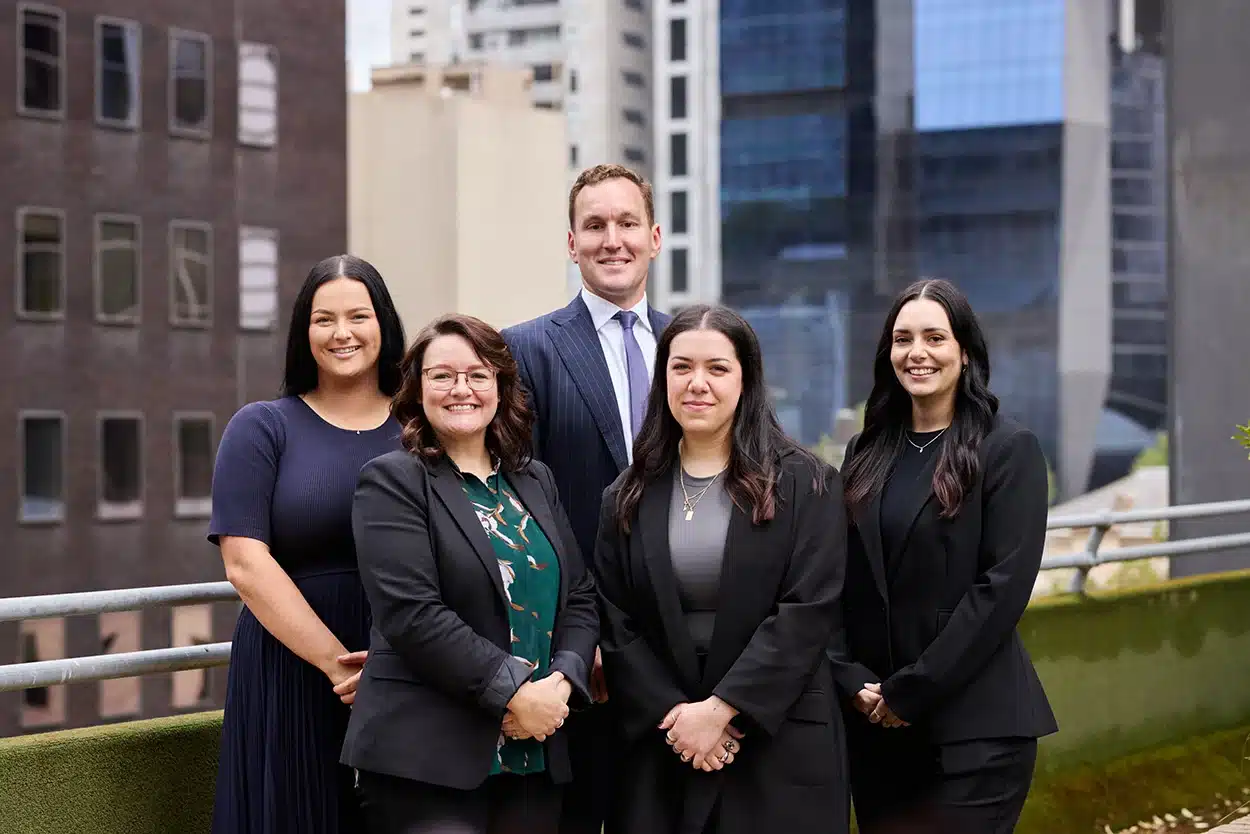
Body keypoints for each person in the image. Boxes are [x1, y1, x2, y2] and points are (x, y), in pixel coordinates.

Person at [593, 304, 850, 834]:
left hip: (777, 741)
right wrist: (682, 718)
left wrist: (725, 708)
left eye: (717, 368)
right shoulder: (628, 493)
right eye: (681, 367)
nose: (697, 384)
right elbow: (614, 621)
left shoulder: (808, 483)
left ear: (747, 379)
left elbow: (808, 610)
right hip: (665, 740)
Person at [342, 313, 599, 834]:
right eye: (443, 376)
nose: (462, 389)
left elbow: (580, 596)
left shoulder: (534, 479)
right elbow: (413, 615)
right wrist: (517, 692)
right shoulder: (393, 481)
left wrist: (563, 684)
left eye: (479, 375)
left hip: (533, 752)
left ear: (501, 388)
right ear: (418, 389)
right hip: (428, 757)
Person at [830, 278, 1058, 833]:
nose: (918, 352)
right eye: (903, 338)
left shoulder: (1006, 450)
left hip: (973, 732)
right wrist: (850, 676)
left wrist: (911, 690)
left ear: (965, 352)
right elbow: (836, 572)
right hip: (877, 730)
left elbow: (1001, 590)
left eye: (936, 337)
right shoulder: (866, 450)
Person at [208, 255, 407, 834]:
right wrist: (341, 667)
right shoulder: (261, 427)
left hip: (409, 667)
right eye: (324, 319)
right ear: (304, 332)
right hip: (290, 667)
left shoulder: (424, 426)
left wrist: (391, 670)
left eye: (358, 316)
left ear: (384, 325)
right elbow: (245, 564)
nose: (342, 333)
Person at [501, 163, 671, 834]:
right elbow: (529, 509)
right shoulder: (527, 350)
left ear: (654, 237)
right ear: (571, 244)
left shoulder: (692, 347)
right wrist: (584, 636)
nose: (613, 240)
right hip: (582, 654)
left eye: (627, 223)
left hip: (685, 649)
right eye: (594, 225)